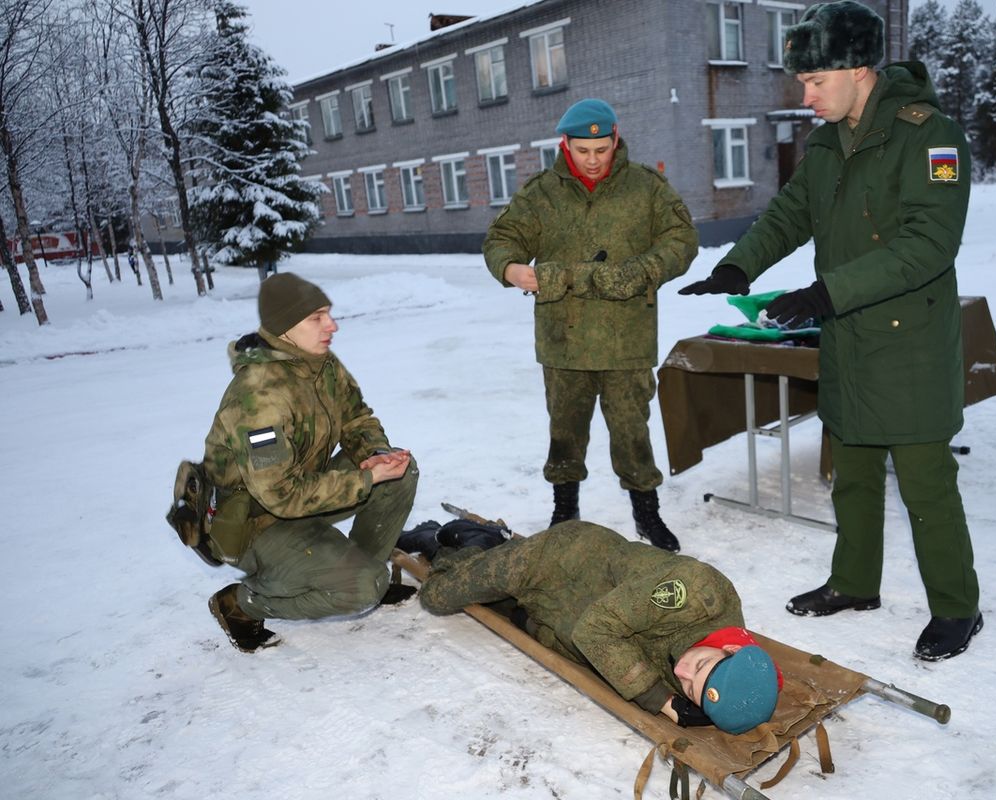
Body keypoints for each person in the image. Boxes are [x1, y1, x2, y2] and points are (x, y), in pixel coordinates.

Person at [678, 1, 982, 662]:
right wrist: (737, 265)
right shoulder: (826, 140)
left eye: (815, 81)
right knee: (854, 472)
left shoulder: (929, 136)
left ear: (858, 69)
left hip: (908, 343)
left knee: (926, 486)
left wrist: (825, 292)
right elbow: (793, 212)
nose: (805, 94)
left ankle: (958, 608)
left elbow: (928, 245)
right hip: (847, 336)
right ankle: (853, 583)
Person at [482, 98, 699, 552]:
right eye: (583, 150)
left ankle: (647, 511)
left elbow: (682, 240)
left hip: (626, 340)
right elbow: (502, 239)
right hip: (564, 338)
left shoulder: (646, 187)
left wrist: (642, 270)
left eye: (601, 148)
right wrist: (512, 270)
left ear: (615, 139)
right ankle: (565, 508)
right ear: (566, 145)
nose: (594, 159)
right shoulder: (541, 193)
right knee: (564, 430)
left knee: (631, 431)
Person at [201, 272, 420, 652]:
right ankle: (241, 603)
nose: (332, 326)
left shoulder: (321, 363)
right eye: (316, 317)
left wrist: (375, 454)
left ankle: (363, 573)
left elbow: (356, 417)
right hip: (252, 523)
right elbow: (280, 494)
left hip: (302, 492)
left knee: (400, 473)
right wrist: (363, 481)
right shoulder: (257, 398)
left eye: (328, 314)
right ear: (285, 328)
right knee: (363, 585)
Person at [397, 520, 781, 735]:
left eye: (690, 689)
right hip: (558, 559)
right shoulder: (694, 592)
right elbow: (595, 631)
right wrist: (662, 700)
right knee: (438, 596)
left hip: (565, 609)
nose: (682, 672)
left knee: (506, 608)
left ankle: (491, 558)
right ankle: (457, 540)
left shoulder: (734, 661)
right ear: (730, 649)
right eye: (697, 666)